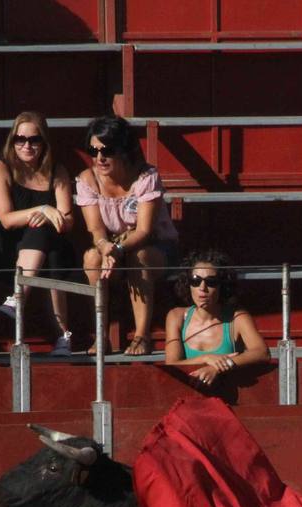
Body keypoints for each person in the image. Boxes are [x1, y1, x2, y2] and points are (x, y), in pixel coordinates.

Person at [77, 114, 179, 356]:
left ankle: (142, 336)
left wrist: (118, 249)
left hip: (156, 246)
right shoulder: (87, 179)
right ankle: (100, 335)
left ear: (124, 149)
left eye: (107, 150)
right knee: (91, 259)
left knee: (139, 258)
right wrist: (105, 247)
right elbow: (96, 229)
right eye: (93, 151)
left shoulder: (145, 176)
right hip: (112, 247)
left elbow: (144, 230)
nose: (99, 158)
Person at [0, 111, 78, 355]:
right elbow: (6, 220)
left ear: (44, 142)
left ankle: (17, 299)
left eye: (34, 140)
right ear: (12, 141)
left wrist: (49, 217)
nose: (27, 145)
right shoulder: (0, 168)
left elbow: (67, 220)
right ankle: (63, 337)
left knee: (47, 240)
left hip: (46, 247)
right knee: (45, 237)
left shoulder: (57, 171)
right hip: (6, 248)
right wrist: (43, 209)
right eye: (20, 139)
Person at [163, 249, 268, 386]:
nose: (202, 287)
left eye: (211, 281)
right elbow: (171, 363)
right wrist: (207, 358)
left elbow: (262, 352)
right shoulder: (176, 316)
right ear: (187, 283)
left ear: (222, 285)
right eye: (195, 280)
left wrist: (218, 367)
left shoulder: (237, 318)